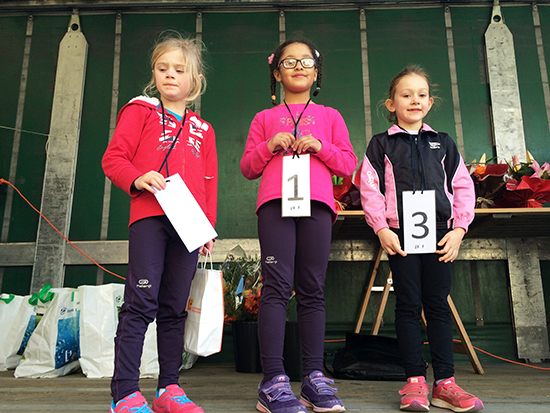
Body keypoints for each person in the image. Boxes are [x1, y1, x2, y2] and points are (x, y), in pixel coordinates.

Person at [240, 39, 357, 413]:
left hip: (318, 205)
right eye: (290, 61)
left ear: (317, 71)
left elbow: (348, 164)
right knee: (276, 286)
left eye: (306, 61)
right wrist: (268, 146)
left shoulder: (331, 115)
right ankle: (273, 380)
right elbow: (247, 168)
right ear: (277, 72)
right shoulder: (263, 118)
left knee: (312, 288)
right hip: (275, 204)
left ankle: (313, 377)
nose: (299, 67)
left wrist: (321, 147)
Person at [102, 34, 217, 413]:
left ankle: (169, 388)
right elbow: (114, 158)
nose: (170, 75)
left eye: (179, 70)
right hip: (150, 217)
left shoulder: (205, 129)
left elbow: (209, 182)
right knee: (141, 302)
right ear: (154, 74)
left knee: (174, 308)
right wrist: (137, 177)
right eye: (162, 68)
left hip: (188, 226)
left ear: (194, 80)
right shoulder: (140, 111)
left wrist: (207, 228)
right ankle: (124, 393)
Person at [359, 65, 483, 413]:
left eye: (421, 94)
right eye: (406, 94)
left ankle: (445, 383)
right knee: (408, 306)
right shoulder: (381, 144)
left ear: (430, 103)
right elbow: (368, 188)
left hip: (441, 233)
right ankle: (414, 381)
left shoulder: (442, 142)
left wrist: (459, 229)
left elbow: (462, 186)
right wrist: (381, 228)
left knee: (438, 304)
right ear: (391, 104)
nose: (415, 99)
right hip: (401, 236)